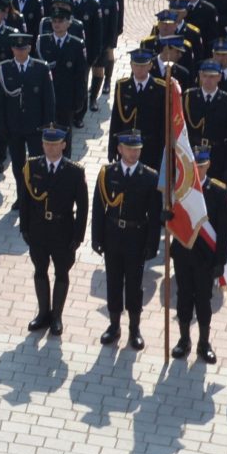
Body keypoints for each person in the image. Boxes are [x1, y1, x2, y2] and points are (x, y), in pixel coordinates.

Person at [93, 131, 163, 349]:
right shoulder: (107, 173)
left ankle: (134, 328)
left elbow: (154, 215)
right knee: (113, 282)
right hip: (113, 234)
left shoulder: (150, 177)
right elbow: (99, 209)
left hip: (136, 236)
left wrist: (152, 244)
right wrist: (96, 238)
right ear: (120, 149)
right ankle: (114, 326)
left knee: (134, 285)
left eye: (137, 149)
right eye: (129, 149)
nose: (133, 153)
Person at [17, 123, 89, 339]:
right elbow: (25, 200)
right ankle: (43, 313)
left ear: (64, 145)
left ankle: (56, 316)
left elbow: (83, 207)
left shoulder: (75, 172)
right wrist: (24, 227)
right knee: (40, 270)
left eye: (55, 144)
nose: (50, 148)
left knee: (61, 272)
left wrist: (78, 236)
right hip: (38, 229)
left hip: (62, 229)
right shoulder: (32, 167)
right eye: (47, 144)